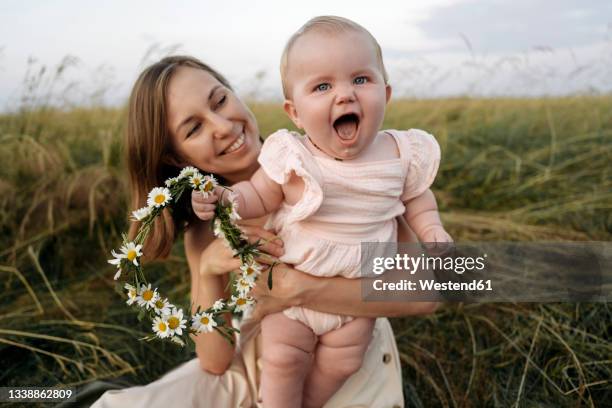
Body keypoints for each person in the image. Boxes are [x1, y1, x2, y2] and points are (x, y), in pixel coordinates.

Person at [91, 52, 440, 408]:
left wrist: (303, 289)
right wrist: (208, 269)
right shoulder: (206, 229)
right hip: (265, 352)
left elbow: (425, 293)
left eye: (220, 100)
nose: (223, 126)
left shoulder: (325, 158)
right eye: (194, 128)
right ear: (177, 158)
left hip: (347, 353)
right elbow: (214, 361)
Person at [193, 16, 452, 408]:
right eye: (323, 86)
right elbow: (258, 195)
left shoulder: (401, 154)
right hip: (293, 306)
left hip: (356, 299)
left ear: (387, 93)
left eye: (361, 80)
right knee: (281, 360)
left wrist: (431, 230)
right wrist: (228, 200)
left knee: (342, 362)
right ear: (294, 113)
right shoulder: (294, 157)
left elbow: (418, 199)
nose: (345, 95)